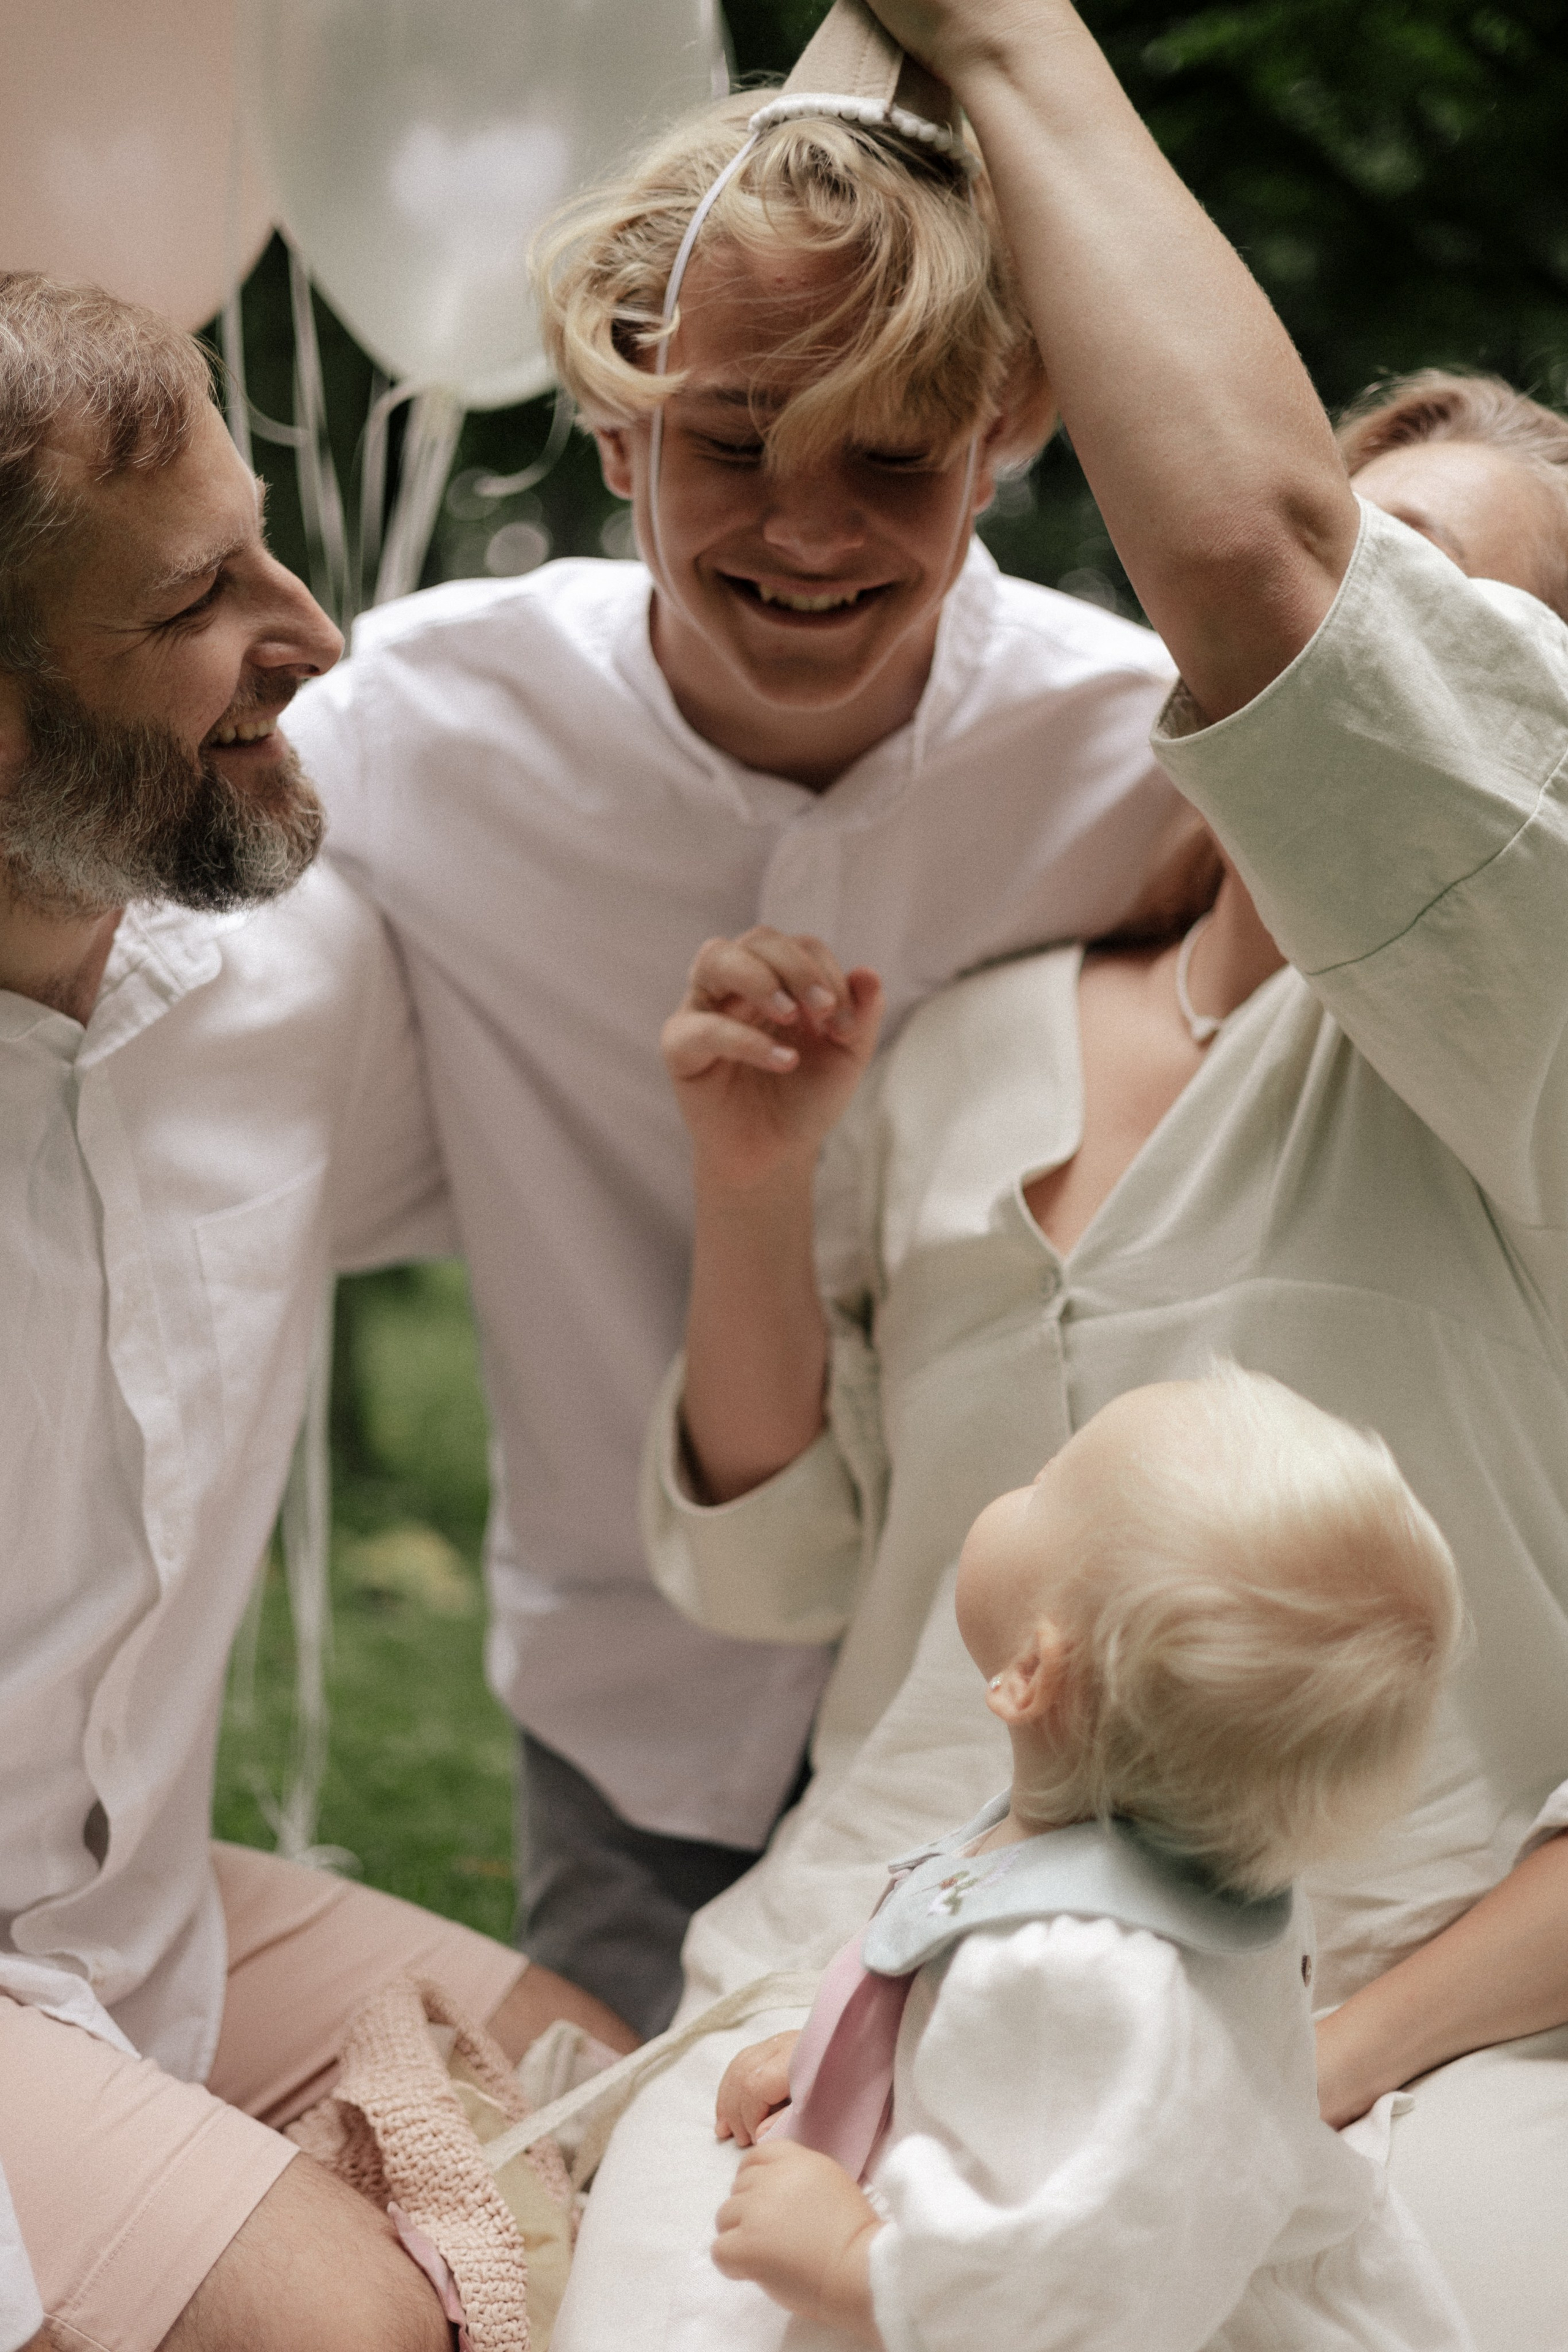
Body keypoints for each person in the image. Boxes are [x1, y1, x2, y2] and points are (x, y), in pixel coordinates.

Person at [549, 3, 1568, 2346]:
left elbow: (1261, 563)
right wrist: (752, 1181)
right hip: (864, 1955)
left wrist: (1300, 2077)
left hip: (1403, 2027)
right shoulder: (977, 1033)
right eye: (1381, 560)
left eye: (1470, 623)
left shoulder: (1527, 1061)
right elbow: (782, 1573)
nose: (1379, 646)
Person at [282, 0, 1203, 2037]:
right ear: (615, 424)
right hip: (635, 1714)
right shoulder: (414, 731)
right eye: (732, 439)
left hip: (1026, 1722)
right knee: (616, 2178)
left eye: (892, 455)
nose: (808, 525)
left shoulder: (1142, 758)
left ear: (1003, 432)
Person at [0, 273, 631, 2352]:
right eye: (201, 600)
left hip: (144, 1909)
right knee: (345, 2328)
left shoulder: (298, 978)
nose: (317, 633)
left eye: (265, 543)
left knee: (630, 2112)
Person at [691, 1371, 1469, 2352]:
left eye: (1046, 1485)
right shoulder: (1153, 1866)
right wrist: (858, 2059)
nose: (1023, 1480)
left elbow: (1085, 2284)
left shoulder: (1088, 1982)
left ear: (1029, 1673)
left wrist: (855, 2264)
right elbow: (1012, 2063)